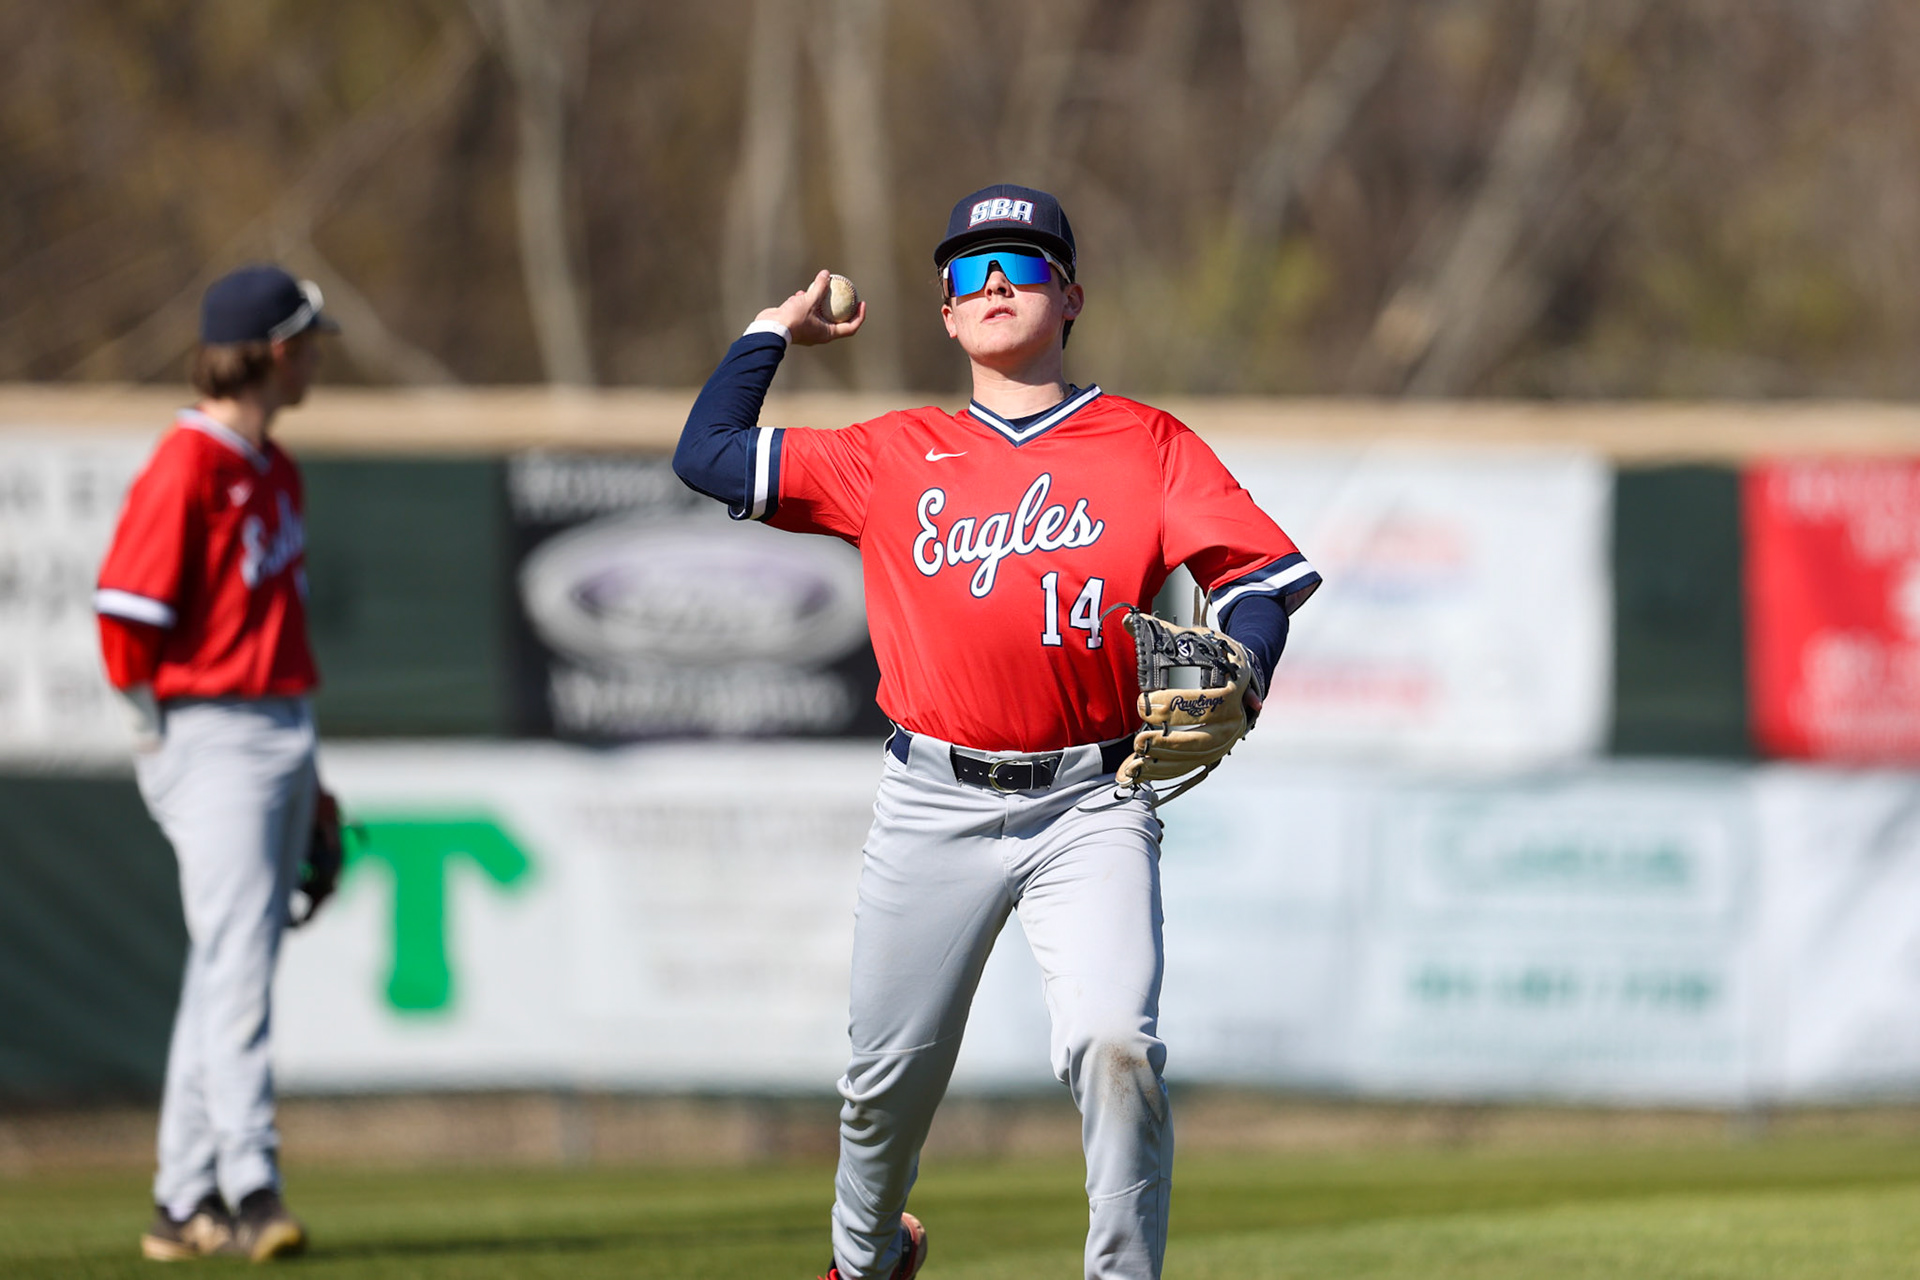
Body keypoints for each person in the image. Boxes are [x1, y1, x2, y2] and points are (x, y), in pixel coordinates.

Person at [674, 184, 1319, 1280]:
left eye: (1020, 266)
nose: (994, 286)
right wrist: (775, 329)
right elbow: (710, 453)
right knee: (885, 1086)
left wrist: (1248, 656)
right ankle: (866, 1256)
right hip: (933, 797)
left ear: (1069, 296)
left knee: (1119, 1046)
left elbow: (1263, 576)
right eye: (969, 273)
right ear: (944, 309)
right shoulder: (891, 453)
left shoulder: (1146, 443)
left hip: (1093, 797)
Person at [95, 264, 339, 1262]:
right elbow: (124, 619)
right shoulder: (188, 462)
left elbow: (278, 629)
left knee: (223, 967)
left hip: (279, 723)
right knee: (239, 965)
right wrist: (164, 733)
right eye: (310, 339)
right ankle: (250, 1182)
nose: (318, 355)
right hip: (212, 728)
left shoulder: (272, 466)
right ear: (275, 350)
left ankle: (180, 1198)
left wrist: (313, 773)